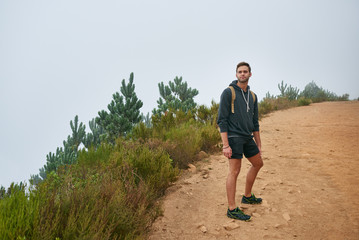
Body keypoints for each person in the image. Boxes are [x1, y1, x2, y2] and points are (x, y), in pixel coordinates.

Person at [217, 61, 263, 221]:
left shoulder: (253, 96)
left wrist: (258, 144)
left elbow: (255, 122)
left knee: (258, 163)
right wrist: (225, 145)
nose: (242, 74)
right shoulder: (228, 92)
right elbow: (221, 120)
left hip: (247, 137)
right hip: (234, 138)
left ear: (250, 74)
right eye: (239, 71)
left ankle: (247, 196)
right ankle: (231, 209)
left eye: (245, 71)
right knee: (234, 171)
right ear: (236, 74)